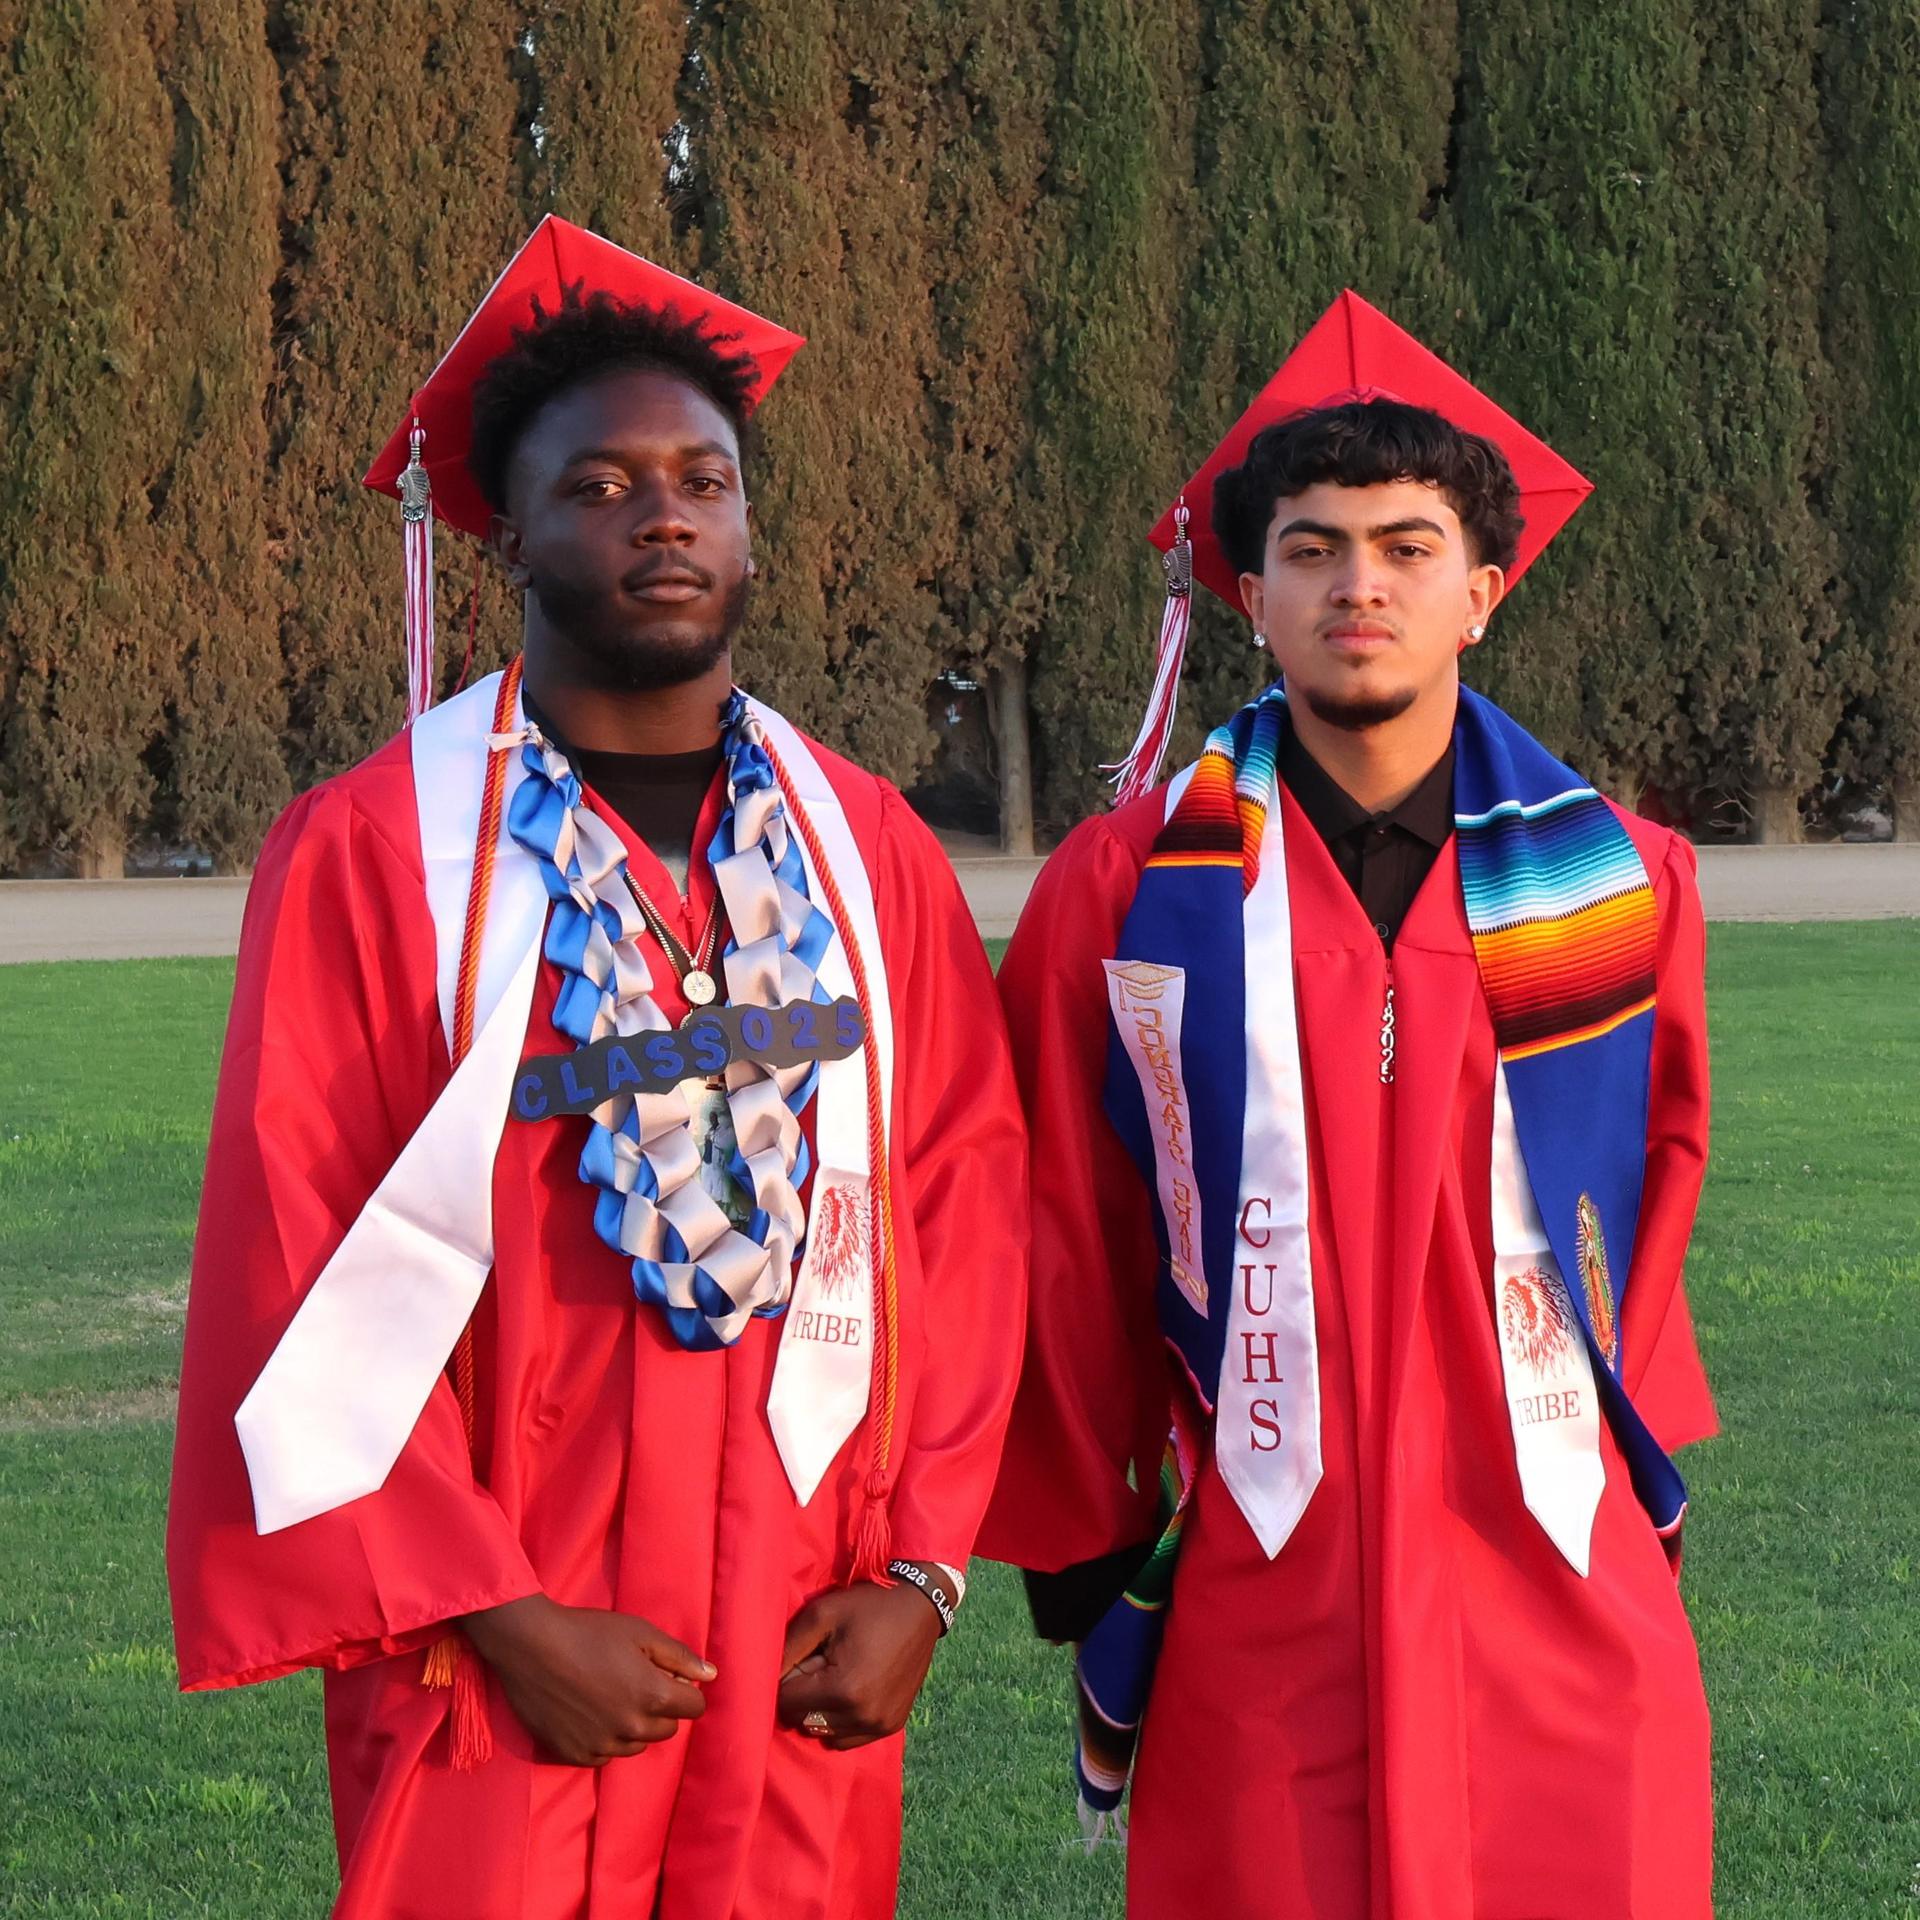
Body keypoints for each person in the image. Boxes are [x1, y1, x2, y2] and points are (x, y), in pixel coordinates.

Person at [167, 216, 1027, 1920]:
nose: (665, 517)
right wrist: (493, 1611)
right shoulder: (377, 852)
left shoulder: (867, 849)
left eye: (704, 479)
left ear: (751, 524)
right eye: (601, 485)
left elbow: (969, 1207)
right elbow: (296, 1242)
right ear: (509, 532)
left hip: (800, 1612)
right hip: (503, 1643)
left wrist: (924, 1575)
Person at [980, 292, 1717, 1918]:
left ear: (1483, 594)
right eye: (1311, 551)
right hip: (1267, 1565)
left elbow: (1656, 1179)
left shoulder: (1621, 884)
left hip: (1548, 1549)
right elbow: (1060, 1219)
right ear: (1252, 598)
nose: (1358, 586)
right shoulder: (1128, 891)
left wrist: (1619, 1432)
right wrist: (1090, 1526)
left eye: (1405, 548)